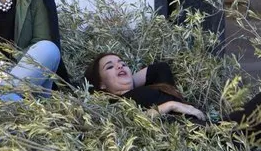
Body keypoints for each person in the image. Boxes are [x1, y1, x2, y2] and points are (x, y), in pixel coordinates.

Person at [84, 53, 261, 142]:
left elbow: (160, 68)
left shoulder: (158, 86)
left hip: (211, 128)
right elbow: (129, 125)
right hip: (194, 137)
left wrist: (127, 81)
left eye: (122, 63)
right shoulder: (113, 103)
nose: (119, 66)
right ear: (101, 85)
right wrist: (169, 106)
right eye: (109, 67)